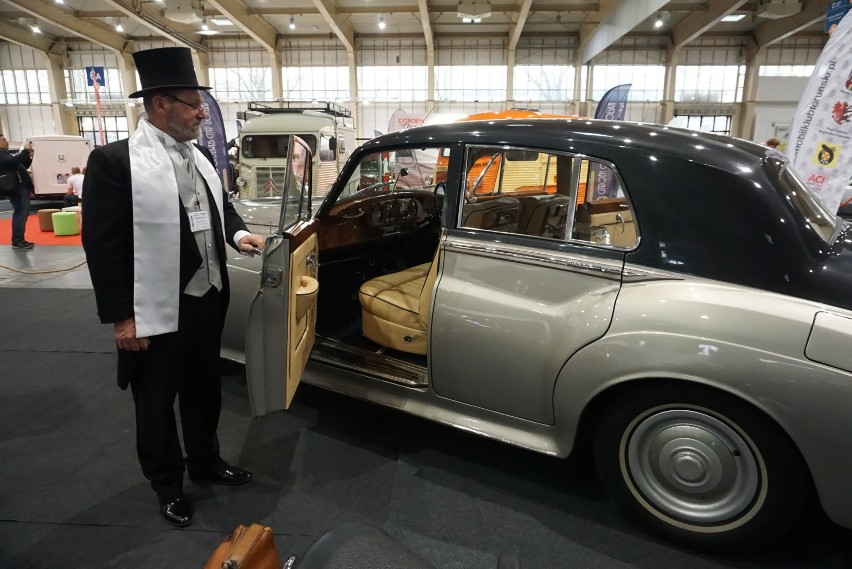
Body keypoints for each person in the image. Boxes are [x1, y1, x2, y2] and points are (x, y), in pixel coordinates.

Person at [81, 47, 266, 529]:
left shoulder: (200, 155)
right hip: (154, 306)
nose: (202, 113)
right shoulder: (114, 162)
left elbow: (219, 209)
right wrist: (122, 317)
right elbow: (102, 247)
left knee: (204, 389)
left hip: (207, 299)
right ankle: (167, 483)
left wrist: (240, 233)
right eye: (192, 103)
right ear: (160, 104)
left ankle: (205, 461)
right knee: (156, 400)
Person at [0, 133, 35, 249]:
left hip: (20, 186)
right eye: (4, 140)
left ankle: (19, 239)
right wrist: (24, 151)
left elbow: (22, 165)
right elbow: (13, 162)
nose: (7, 142)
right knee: (21, 212)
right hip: (17, 187)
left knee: (23, 213)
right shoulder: (2, 155)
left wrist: (29, 156)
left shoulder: (6, 155)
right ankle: (18, 240)